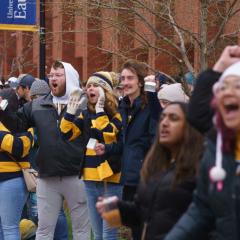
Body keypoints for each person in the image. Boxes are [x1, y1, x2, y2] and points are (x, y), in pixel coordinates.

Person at [0, 61, 90, 240]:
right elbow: (17, 124)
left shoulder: (84, 105)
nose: (53, 79)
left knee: (81, 230)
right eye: (51, 75)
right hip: (46, 176)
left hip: (77, 175)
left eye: (58, 75)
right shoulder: (36, 104)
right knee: (43, 230)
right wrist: (2, 110)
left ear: (70, 78)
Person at [97, 102, 203, 240]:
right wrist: (119, 209)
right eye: (162, 118)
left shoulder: (200, 167)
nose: (164, 123)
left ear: (189, 126)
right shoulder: (154, 166)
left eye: (173, 118)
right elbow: (143, 213)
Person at [165, 61, 240, 240]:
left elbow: (195, 115)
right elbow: (201, 209)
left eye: (237, 86)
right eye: (223, 87)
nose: (228, 92)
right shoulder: (217, 151)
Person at [95, 60, 157, 239]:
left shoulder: (149, 108)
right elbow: (126, 144)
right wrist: (106, 148)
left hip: (145, 178)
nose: (126, 82)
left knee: (145, 230)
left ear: (140, 82)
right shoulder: (124, 108)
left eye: (130, 78)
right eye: (123, 78)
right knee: (134, 228)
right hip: (128, 178)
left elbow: (155, 143)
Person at [60, 71, 122, 240]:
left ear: (106, 90)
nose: (90, 89)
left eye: (95, 85)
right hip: (90, 180)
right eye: (88, 86)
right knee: (97, 233)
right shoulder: (85, 114)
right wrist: (69, 113)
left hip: (111, 181)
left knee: (109, 233)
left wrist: (101, 111)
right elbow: (66, 134)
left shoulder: (118, 112)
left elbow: (109, 135)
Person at [0, 88, 34, 240]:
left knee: (9, 227)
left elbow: (19, 148)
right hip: (12, 180)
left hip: (12, 180)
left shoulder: (23, 124)